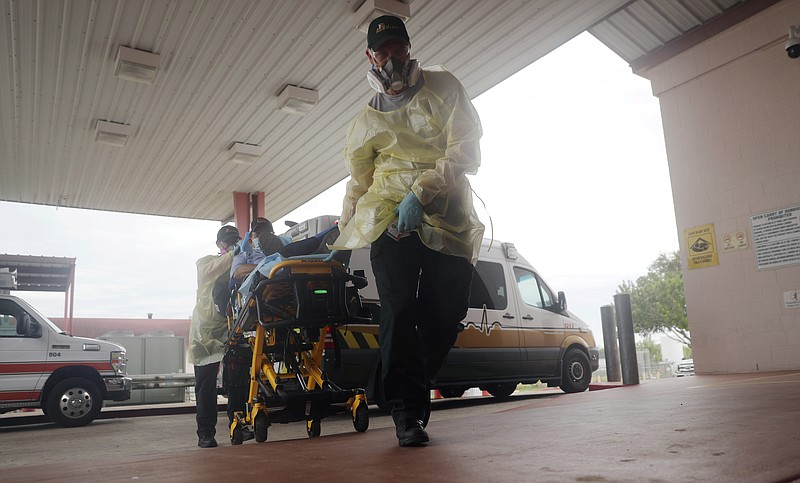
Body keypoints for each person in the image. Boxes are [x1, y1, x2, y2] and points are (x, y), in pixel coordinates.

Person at [328, 15, 484, 447]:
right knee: (398, 311)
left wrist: (424, 192)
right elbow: (359, 183)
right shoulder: (363, 121)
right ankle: (406, 414)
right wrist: (342, 235)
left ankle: (390, 382)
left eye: (398, 49)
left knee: (446, 314)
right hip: (388, 219)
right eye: (383, 52)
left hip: (446, 214)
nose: (392, 58)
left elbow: (465, 147)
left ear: (410, 50)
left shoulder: (444, 87)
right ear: (369, 57)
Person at [189, 224, 241, 448]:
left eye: (234, 240)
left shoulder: (238, 263)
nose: (230, 244)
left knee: (238, 380)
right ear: (219, 244)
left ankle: (239, 426)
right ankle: (206, 433)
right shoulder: (207, 261)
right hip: (206, 332)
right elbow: (210, 271)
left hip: (232, 328)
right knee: (206, 383)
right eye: (227, 241)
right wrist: (234, 253)